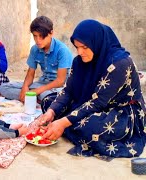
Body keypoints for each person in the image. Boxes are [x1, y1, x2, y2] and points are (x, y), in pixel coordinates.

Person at [37, 19, 146, 158]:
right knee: (48, 102)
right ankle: (65, 123)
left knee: (91, 128)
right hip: (87, 102)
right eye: (77, 47)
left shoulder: (119, 63)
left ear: (96, 43)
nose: (80, 52)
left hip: (119, 110)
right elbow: (69, 91)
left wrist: (63, 122)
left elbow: (98, 102)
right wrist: (52, 111)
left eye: (84, 47)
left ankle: (65, 125)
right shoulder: (79, 62)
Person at [0, 16, 73, 102]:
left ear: (51, 33)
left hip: (58, 87)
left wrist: (37, 91)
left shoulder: (62, 50)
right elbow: (30, 74)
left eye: (41, 36)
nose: (38, 40)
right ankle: (34, 98)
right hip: (42, 83)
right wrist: (25, 88)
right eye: (35, 36)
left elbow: (60, 81)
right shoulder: (35, 49)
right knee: (4, 87)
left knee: (44, 95)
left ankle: (36, 97)